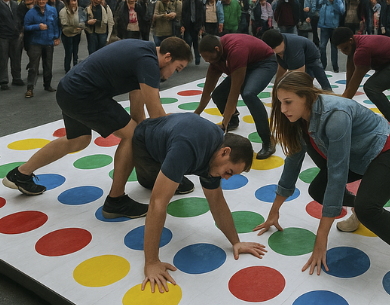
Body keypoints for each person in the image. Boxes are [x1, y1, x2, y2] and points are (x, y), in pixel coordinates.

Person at [254, 72, 390, 305]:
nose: (282, 109)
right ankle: (360, 211)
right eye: (279, 102)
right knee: (319, 191)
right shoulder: (297, 119)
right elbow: (293, 163)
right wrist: (275, 210)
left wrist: (321, 237)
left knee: (368, 208)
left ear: (308, 97)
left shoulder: (335, 114)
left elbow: (337, 173)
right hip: (358, 157)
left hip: (389, 152)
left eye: (288, 102)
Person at [3, 38, 192, 219]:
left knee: (78, 140)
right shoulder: (148, 62)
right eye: (177, 69)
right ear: (168, 57)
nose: (173, 74)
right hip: (85, 95)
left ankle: (21, 174)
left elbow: (139, 115)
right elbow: (157, 115)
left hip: (68, 90)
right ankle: (116, 201)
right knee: (133, 135)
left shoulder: (143, 52)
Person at [135, 114, 266, 293]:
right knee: (159, 189)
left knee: (182, 183)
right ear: (224, 152)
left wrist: (236, 242)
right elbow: (157, 203)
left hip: (173, 139)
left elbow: (217, 201)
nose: (226, 177)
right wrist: (151, 262)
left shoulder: (214, 156)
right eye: (228, 171)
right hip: (146, 144)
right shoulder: (186, 147)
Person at [196, 34, 278, 159]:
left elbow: (234, 92)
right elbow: (207, 90)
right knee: (218, 94)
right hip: (246, 62)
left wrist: (224, 124)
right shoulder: (216, 59)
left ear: (217, 49)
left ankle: (268, 141)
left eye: (208, 58)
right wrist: (196, 114)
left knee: (248, 94)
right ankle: (233, 121)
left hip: (264, 63)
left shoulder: (236, 51)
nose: (207, 61)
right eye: (205, 59)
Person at [262, 29, 331, 91]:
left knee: (318, 76)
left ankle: (329, 92)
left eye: (275, 50)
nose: (274, 53)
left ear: (282, 42)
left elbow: (299, 73)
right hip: (295, 55)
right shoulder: (278, 44)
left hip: (311, 57)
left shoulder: (293, 47)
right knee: (305, 83)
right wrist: (276, 85)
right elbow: (282, 68)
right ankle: (311, 92)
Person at [23, 0, 59, 98]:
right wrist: (37, 26)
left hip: (48, 42)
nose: (41, 1)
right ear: (36, 0)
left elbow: (56, 24)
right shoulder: (31, 12)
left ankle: (47, 85)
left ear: (46, 0)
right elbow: (26, 26)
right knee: (33, 67)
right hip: (36, 43)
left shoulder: (52, 10)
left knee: (48, 65)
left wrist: (56, 37)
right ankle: (30, 88)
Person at [0, 0, 24, 90]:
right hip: (3, 36)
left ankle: (17, 78)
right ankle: (3, 80)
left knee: (16, 58)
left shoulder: (15, 4)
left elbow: (19, 17)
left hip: (15, 36)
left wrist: (20, 30)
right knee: (3, 59)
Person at [317, 0, 345, 72]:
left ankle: (335, 67)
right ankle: (323, 65)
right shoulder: (324, 0)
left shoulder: (338, 0)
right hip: (324, 26)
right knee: (322, 46)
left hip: (333, 27)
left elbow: (342, 11)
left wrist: (333, 3)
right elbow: (317, 6)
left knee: (334, 47)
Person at [59, 0, 86, 73]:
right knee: (68, 53)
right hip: (67, 34)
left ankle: (75, 68)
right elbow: (64, 23)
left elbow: (83, 21)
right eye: (72, 1)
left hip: (77, 34)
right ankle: (67, 70)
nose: (74, 3)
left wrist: (80, 26)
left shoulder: (80, 10)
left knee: (75, 52)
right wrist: (75, 26)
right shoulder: (63, 11)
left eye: (75, 1)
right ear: (69, 2)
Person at [180, 0, 204, 64]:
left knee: (196, 42)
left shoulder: (199, 2)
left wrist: (201, 25)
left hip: (196, 24)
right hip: (188, 24)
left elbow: (201, 14)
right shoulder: (186, 2)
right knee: (188, 41)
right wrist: (183, 24)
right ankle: (187, 57)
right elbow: (183, 13)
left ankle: (197, 57)